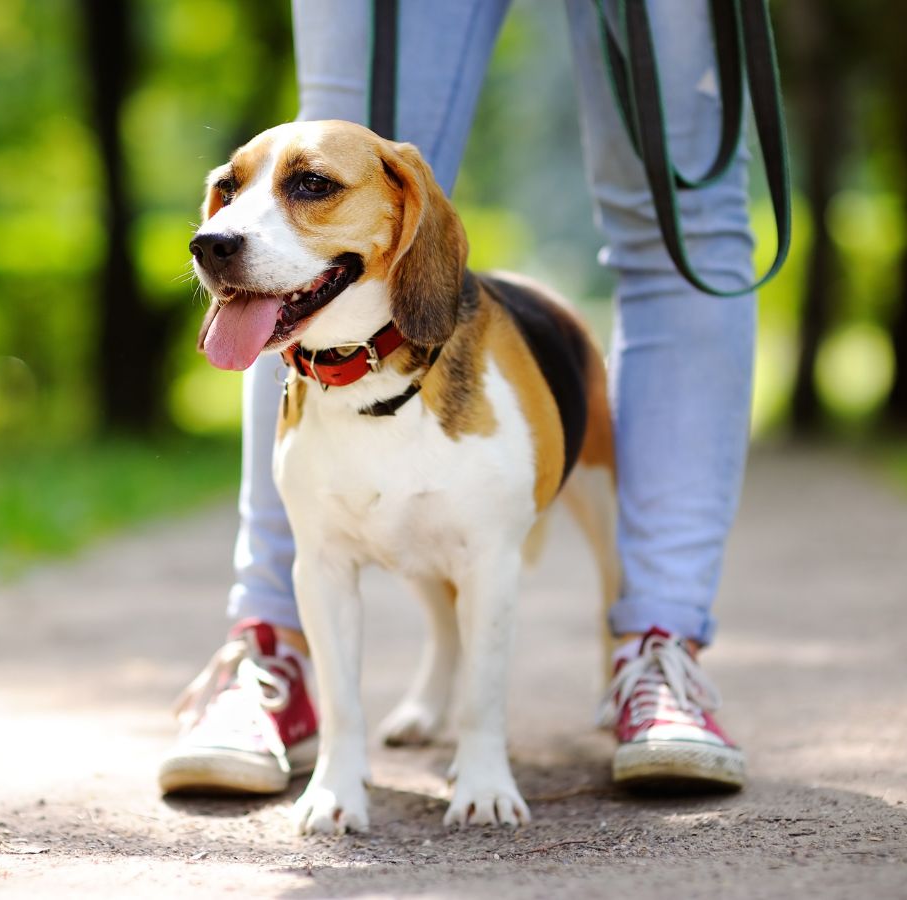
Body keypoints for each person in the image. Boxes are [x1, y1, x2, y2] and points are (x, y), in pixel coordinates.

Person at [158, 0, 755, 798]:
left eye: (308, 187)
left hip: (488, 383)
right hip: (334, 406)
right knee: (343, 112)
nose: (224, 227)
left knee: (683, 206)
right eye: (230, 193)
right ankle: (273, 644)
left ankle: (658, 643)